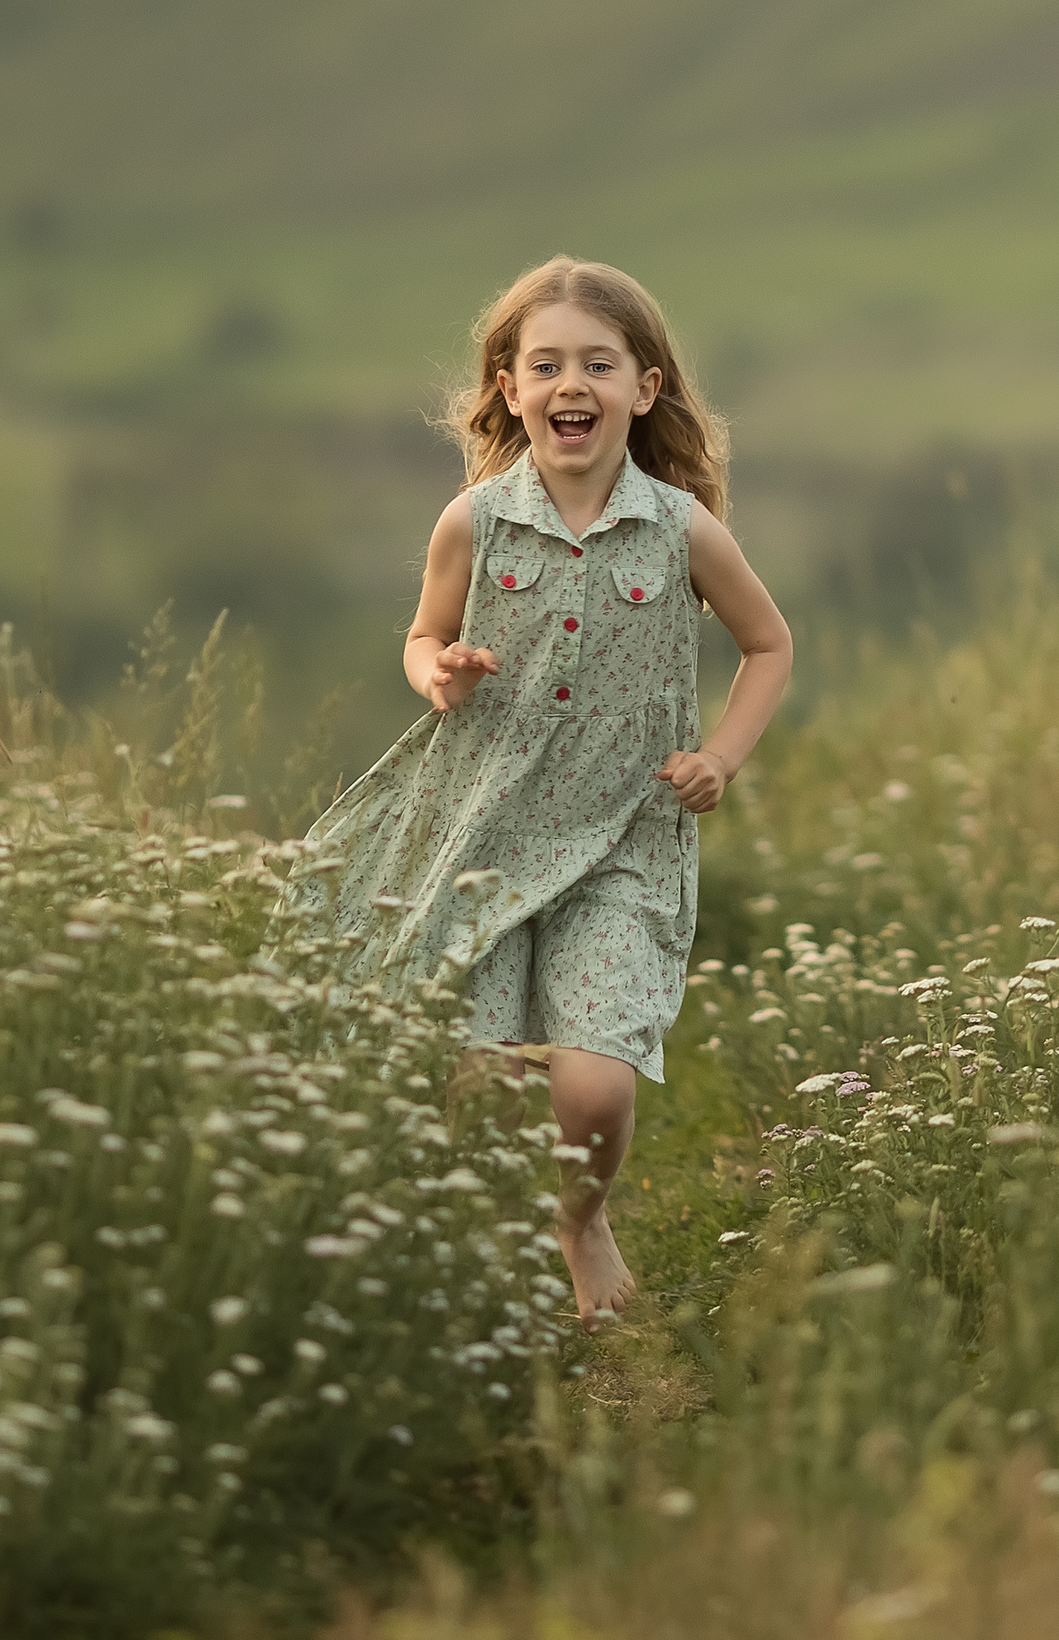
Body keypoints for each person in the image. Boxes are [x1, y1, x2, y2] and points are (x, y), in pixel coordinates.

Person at [291, 255, 792, 1322]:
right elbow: (426, 635)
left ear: (643, 389)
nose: (573, 384)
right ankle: (465, 1285)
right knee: (473, 1090)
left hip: (621, 838)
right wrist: (439, 671)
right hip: (483, 828)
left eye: (598, 364)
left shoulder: (683, 531)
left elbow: (769, 645)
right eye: (547, 364)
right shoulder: (472, 521)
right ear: (509, 389)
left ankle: (581, 1218)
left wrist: (722, 758)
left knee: (593, 1087)